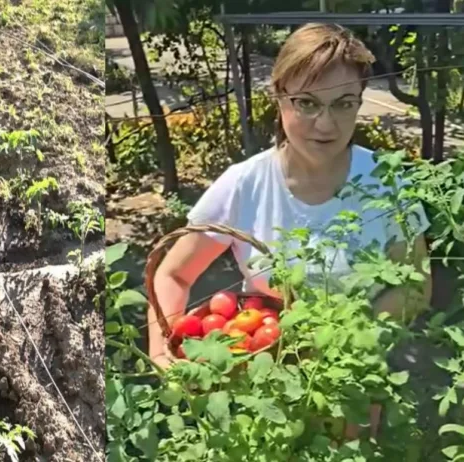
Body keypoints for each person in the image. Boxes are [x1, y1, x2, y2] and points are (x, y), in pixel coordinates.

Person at [148, 23, 433, 436]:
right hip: (257, 385)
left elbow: (414, 285)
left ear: (359, 103)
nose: (326, 124)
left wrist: (341, 342)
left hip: (348, 385)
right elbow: (173, 272)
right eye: (307, 103)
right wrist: (162, 352)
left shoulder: (386, 183)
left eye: (343, 104)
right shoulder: (244, 184)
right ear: (279, 97)